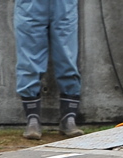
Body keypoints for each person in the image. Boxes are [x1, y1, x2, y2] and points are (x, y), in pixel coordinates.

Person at [15, 0, 84, 139]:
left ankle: (69, 119)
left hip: (64, 4)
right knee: (29, 61)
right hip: (31, 5)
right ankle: (32, 120)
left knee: (67, 59)